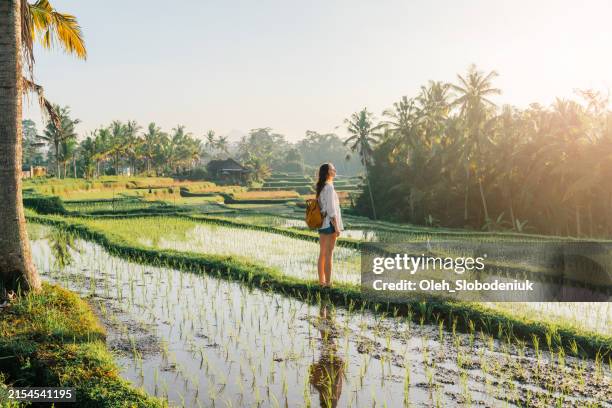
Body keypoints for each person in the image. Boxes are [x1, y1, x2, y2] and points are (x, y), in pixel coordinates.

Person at [316, 163, 344, 287]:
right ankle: (328, 282)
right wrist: (337, 227)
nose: (335, 170)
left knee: (322, 253)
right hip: (330, 224)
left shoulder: (321, 186)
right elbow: (332, 210)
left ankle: (321, 281)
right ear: (328, 172)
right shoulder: (329, 187)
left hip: (322, 223)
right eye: (333, 169)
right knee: (329, 254)